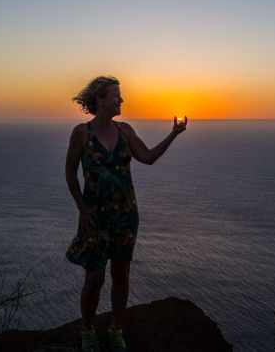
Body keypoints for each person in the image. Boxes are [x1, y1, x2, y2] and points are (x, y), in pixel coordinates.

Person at [65, 75, 187, 352]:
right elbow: (70, 173)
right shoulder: (81, 134)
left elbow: (148, 157)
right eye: (116, 95)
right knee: (94, 278)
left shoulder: (126, 131)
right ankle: (87, 330)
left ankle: (116, 328)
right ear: (100, 99)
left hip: (125, 215)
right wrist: (82, 209)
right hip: (94, 217)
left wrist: (173, 133)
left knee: (121, 275)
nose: (122, 99)